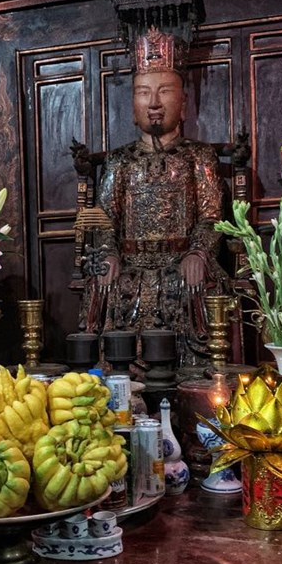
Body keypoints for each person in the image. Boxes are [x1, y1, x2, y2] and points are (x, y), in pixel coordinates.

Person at [80, 27, 229, 368]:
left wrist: (199, 252)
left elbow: (211, 215)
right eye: (144, 93)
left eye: (165, 92)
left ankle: (196, 371)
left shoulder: (199, 157)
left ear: (184, 103)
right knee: (106, 280)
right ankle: (118, 370)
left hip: (182, 260)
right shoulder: (120, 161)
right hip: (130, 264)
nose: (155, 103)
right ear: (133, 105)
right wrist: (108, 253)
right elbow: (105, 220)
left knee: (193, 282)